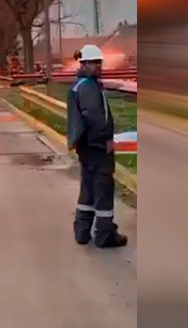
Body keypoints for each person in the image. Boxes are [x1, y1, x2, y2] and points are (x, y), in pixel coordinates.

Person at [66, 44, 128, 248]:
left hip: (85, 146)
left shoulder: (80, 85)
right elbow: (95, 118)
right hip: (96, 147)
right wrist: (105, 141)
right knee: (102, 188)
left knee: (88, 188)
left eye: (99, 62)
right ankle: (105, 234)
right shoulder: (88, 87)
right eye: (93, 63)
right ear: (83, 64)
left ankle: (82, 231)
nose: (98, 66)